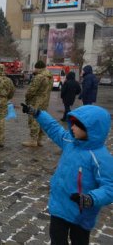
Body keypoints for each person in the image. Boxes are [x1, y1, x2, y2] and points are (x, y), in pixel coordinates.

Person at [20, 104, 113, 245]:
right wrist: (38, 114)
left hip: (81, 213)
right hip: (60, 206)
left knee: (79, 241)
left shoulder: (100, 157)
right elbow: (54, 128)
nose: (72, 127)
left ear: (91, 129)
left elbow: (109, 187)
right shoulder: (70, 141)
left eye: (77, 125)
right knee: (57, 240)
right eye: (72, 123)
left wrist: (90, 199)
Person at [22, 60, 53, 147]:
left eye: (35, 68)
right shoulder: (50, 76)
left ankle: (33, 140)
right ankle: (40, 140)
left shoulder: (39, 77)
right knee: (42, 119)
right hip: (45, 101)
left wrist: (27, 98)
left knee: (34, 119)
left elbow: (31, 91)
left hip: (36, 101)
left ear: (38, 68)